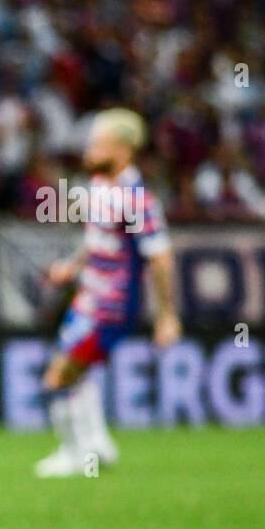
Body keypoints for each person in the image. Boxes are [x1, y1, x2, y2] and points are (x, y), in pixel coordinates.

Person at [35, 108, 180, 478]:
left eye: (97, 143)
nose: (88, 150)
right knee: (74, 376)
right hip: (87, 298)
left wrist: (167, 314)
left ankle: (75, 454)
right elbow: (98, 241)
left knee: (58, 376)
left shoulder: (136, 199)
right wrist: (72, 266)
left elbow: (160, 258)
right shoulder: (100, 188)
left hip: (111, 306)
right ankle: (96, 447)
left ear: (123, 150)